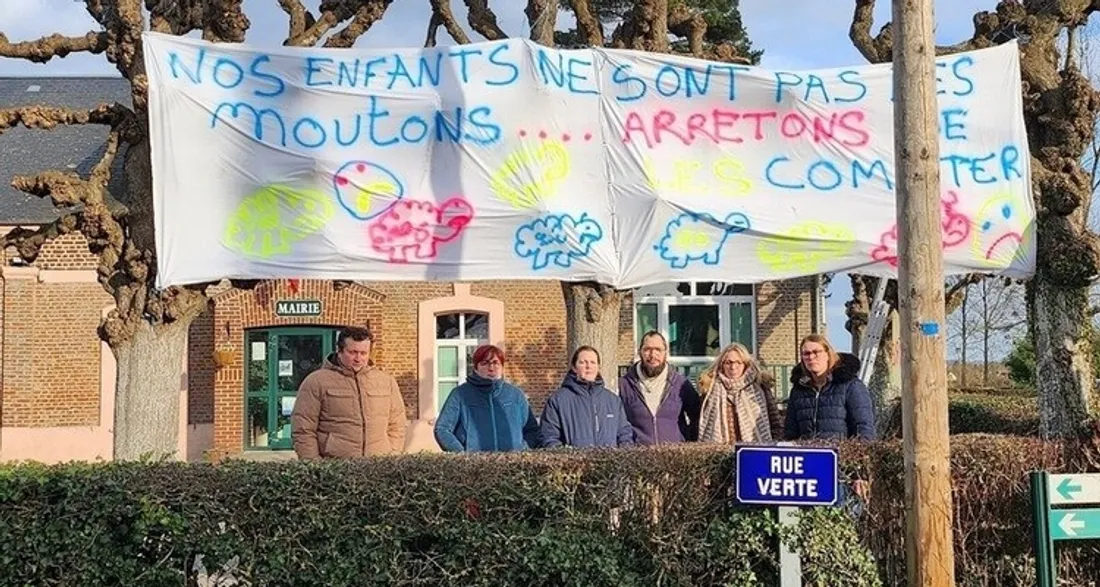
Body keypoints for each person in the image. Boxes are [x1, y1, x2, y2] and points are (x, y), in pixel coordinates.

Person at [291, 326, 407, 459]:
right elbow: (303, 429)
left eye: (364, 353)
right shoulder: (316, 382)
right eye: (353, 352)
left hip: (379, 465)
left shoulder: (386, 381)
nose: (358, 358)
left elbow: (397, 423)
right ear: (339, 351)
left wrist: (393, 454)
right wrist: (315, 466)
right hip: (336, 467)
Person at [433, 344, 539, 452]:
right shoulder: (460, 394)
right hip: (475, 465)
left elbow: (532, 430)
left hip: (512, 464)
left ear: (502, 367)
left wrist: (522, 450)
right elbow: (442, 429)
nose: (491, 368)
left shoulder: (515, 395)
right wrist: (462, 455)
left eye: (496, 363)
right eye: (485, 363)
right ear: (476, 367)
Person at [784, 333, 876, 441]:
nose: (811, 357)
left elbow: (864, 427)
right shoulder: (799, 390)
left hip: (842, 454)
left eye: (816, 352)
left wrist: (858, 454)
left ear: (828, 354)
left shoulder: (850, 386)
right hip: (808, 456)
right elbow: (791, 431)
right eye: (806, 354)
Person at [538, 346, 634, 448]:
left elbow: (624, 434)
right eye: (583, 362)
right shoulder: (558, 401)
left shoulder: (613, 401)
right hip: (575, 463)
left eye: (593, 362)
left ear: (598, 367)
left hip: (610, 463)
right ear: (574, 368)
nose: (588, 366)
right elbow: (549, 436)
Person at [618, 330, 701, 445]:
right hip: (637, 457)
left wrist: (687, 443)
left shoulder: (680, 384)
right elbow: (618, 425)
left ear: (666, 352)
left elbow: (698, 417)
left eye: (658, 350)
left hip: (674, 457)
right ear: (639, 352)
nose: (653, 355)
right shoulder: (624, 385)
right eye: (647, 350)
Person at [696, 343, 783, 444]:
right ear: (721, 365)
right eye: (728, 363)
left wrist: (773, 446)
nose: (733, 367)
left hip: (753, 452)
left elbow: (776, 424)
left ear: (746, 365)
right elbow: (698, 422)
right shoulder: (709, 389)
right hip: (719, 452)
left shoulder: (761, 387)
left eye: (739, 362)